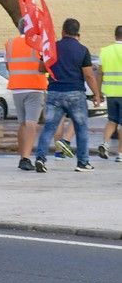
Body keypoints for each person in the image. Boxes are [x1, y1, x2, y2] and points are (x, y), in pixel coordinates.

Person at [33, 18, 104, 172]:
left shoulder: (51, 48)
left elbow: (41, 68)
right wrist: (97, 94)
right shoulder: (83, 50)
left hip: (54, 92)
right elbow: (89, 75)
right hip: (75, 94)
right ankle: (83, 162)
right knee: (81, 128)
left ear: (63, 31)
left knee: (49, 128)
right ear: (77, 33)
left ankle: (40, 158)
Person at [5, 28, 49, 171]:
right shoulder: (39, 43)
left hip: (17, 87)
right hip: (34, 87)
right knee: (31, 123)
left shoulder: (10, 43)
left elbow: (7, 65)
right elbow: (44, 66)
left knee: (23, 123)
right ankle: (26, 158)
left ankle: (22, 157)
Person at [97, 24, 122, 161]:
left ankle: (105, 143)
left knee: (112, 120)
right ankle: (120, 154)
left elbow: (100, 73)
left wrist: (98, 92)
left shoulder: (105, 51)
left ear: (115, 36)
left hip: (110, 93)